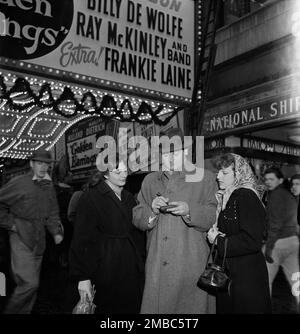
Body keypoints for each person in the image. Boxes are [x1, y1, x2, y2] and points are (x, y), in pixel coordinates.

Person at [133, 128, 218, 314]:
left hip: (192, 266)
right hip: (157, 265)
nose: (170, 158)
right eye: (165, 153)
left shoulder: (205, 178)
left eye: (175, 152)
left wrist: (190, 211)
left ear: (186, 152)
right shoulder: (150, 180)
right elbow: (137, 216)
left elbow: (213, 216)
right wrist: (152, 210)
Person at [69, 156, 145, 314]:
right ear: (105, 174)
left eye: (125, 170)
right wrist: (83, 277)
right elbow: (82, 239)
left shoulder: (128, 197)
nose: (123, 174)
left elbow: (136, 232)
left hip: (130, 265)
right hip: (104, 267)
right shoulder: (91, 197)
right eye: (117, 171)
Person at [0, 149, 64, 314]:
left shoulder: (48, 186)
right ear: (31, 164)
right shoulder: (19, 182)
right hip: (20, 237)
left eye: (46, 164)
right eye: (39, 163)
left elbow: (52, 213)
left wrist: (56, 232)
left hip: (39, 241)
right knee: (30, 283)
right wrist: (11, 224)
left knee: (32, 287)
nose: (43, 167)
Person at [207, 153, 271, 314]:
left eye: (225, 173)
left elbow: (252, 240)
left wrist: (218, 240)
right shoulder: (228, 197)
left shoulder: (246, 195)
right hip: (231, 273)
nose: (218, 176)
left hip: (246, 277)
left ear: (239, 174)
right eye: (219, 172)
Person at [263, 167, 299, 303]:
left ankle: (263, 308)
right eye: (266, 179)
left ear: (280, 180)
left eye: (271, 179)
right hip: (293, 241)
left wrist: (269, 247)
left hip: (278, 243)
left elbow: (275, 224)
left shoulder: (276, 196)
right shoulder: (288, 195)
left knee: (264, 280)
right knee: (296, 280)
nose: (268, 182)